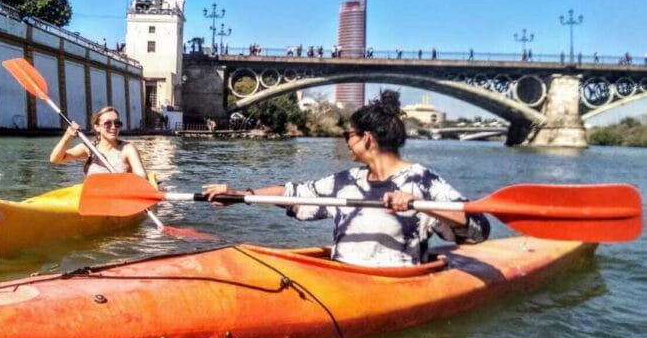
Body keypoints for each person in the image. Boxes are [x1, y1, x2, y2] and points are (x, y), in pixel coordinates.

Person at [203, 90, 490, 268]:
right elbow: (293, 193)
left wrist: (420, 205)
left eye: (348, 135)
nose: (346, 142)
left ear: (367, 138)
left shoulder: (422, 181)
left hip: (397, 285)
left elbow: (478, 229)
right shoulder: (345, 181)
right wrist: (240, 195)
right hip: (343, 280)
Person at [49, 106, 147, 177]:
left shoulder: (127, 149)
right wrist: (68, 136)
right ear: (97, 127)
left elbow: (141, 176)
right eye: (108, 123)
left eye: (117, 123)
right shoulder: (89, 148)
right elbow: (55, 159)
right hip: (93, 199)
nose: (113, 127)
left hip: (118, 199)